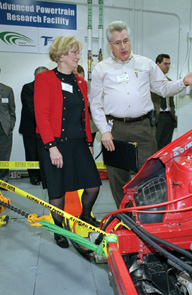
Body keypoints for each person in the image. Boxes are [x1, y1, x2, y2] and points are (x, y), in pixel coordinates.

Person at [89, 20, 192, 208]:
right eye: (118, 42)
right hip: (115, 129)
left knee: (149, 175)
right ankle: (125, 215)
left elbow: (163, 88)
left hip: (143, 128)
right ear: (110, 45)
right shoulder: (101, 69)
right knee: (117, 177)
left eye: (126, 41)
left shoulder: (145, 64)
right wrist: (104, 131)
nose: (123, 46)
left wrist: (183, 82)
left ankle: (146, 214)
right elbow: (95, 103)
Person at [34, 35, 101, 248]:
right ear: (62, 55)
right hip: (55, 144)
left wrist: (89, 143)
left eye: (77, 53)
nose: (78, 57)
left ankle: (85, 215)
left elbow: (85, 116)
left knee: (93, 185)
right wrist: (51, 147)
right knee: (57, 190)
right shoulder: (45, 79)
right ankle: (59, 228)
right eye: (74, 52)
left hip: (78, 142)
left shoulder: (80, 82)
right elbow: (41, 115)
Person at [19, 66, 48, 186]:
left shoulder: (49, 88)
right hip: (30, 128)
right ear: (37, 76)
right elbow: (31, 108)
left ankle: (42, 176)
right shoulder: (28, 88)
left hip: (45, 128)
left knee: (43, 153)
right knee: (31, 153)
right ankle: (34, 176)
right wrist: (46, 118)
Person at [151, 54, 177, 150]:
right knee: (154, 144)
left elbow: (171, 101)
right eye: (165, 63)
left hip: (169, 117)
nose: (168, 66)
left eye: (169, 64)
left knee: (166, 146)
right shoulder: (150, 81)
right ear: (157, 64)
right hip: (157, 117)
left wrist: (172, 115)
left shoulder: (169, 81)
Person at [74, 65, 99, 142]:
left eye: (76, 74)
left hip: (90, 125)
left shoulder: (91, 86)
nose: (75, 77)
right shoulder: (71, 86)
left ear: (82, 74)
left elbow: (97, 104)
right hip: (75, 125)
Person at [0, 81, 16, 187]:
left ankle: (3, 181)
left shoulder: (7, 90)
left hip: (4, 129)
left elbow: (12, 109)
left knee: (4, 156)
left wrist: (10, 125)